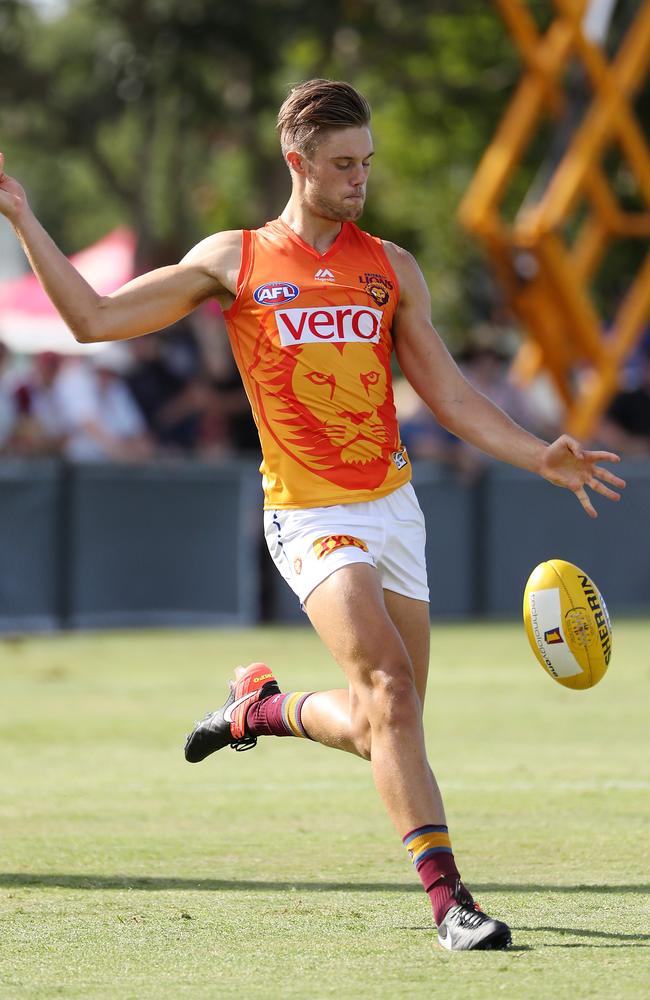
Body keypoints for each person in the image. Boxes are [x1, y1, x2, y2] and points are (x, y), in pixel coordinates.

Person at [0, 79, 625, 951]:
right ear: (297, 162)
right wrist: (24, 218)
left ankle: (258, 710)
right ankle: (451, 904)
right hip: (310, 515)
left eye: (365, 163)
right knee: (392, 692)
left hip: (394, 509)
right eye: (342, 164)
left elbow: (445, 393)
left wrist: (537, 453)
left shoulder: (391, 268)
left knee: (384, 728)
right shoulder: (236, 260)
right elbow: (94, 319)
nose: (358, 178)